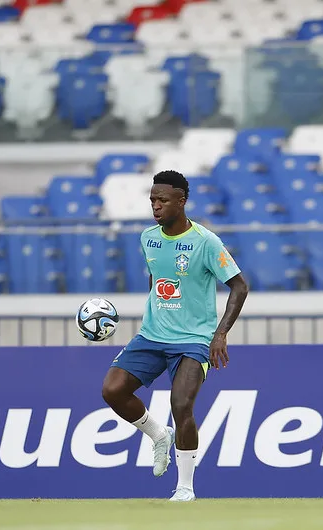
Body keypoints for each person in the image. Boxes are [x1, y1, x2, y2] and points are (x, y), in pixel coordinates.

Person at [101, 170, 249, 502]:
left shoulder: (206, 242)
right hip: (152, 335)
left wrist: (220, 334)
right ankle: (158, 435)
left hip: (194, 339)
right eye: (152, 199)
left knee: (181, 404)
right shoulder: (147, 238)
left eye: (162, 200)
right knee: (112, 390)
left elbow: (240, 285)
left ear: (181, 202)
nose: (155, 206)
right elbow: (156, 280)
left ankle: (185, 488)